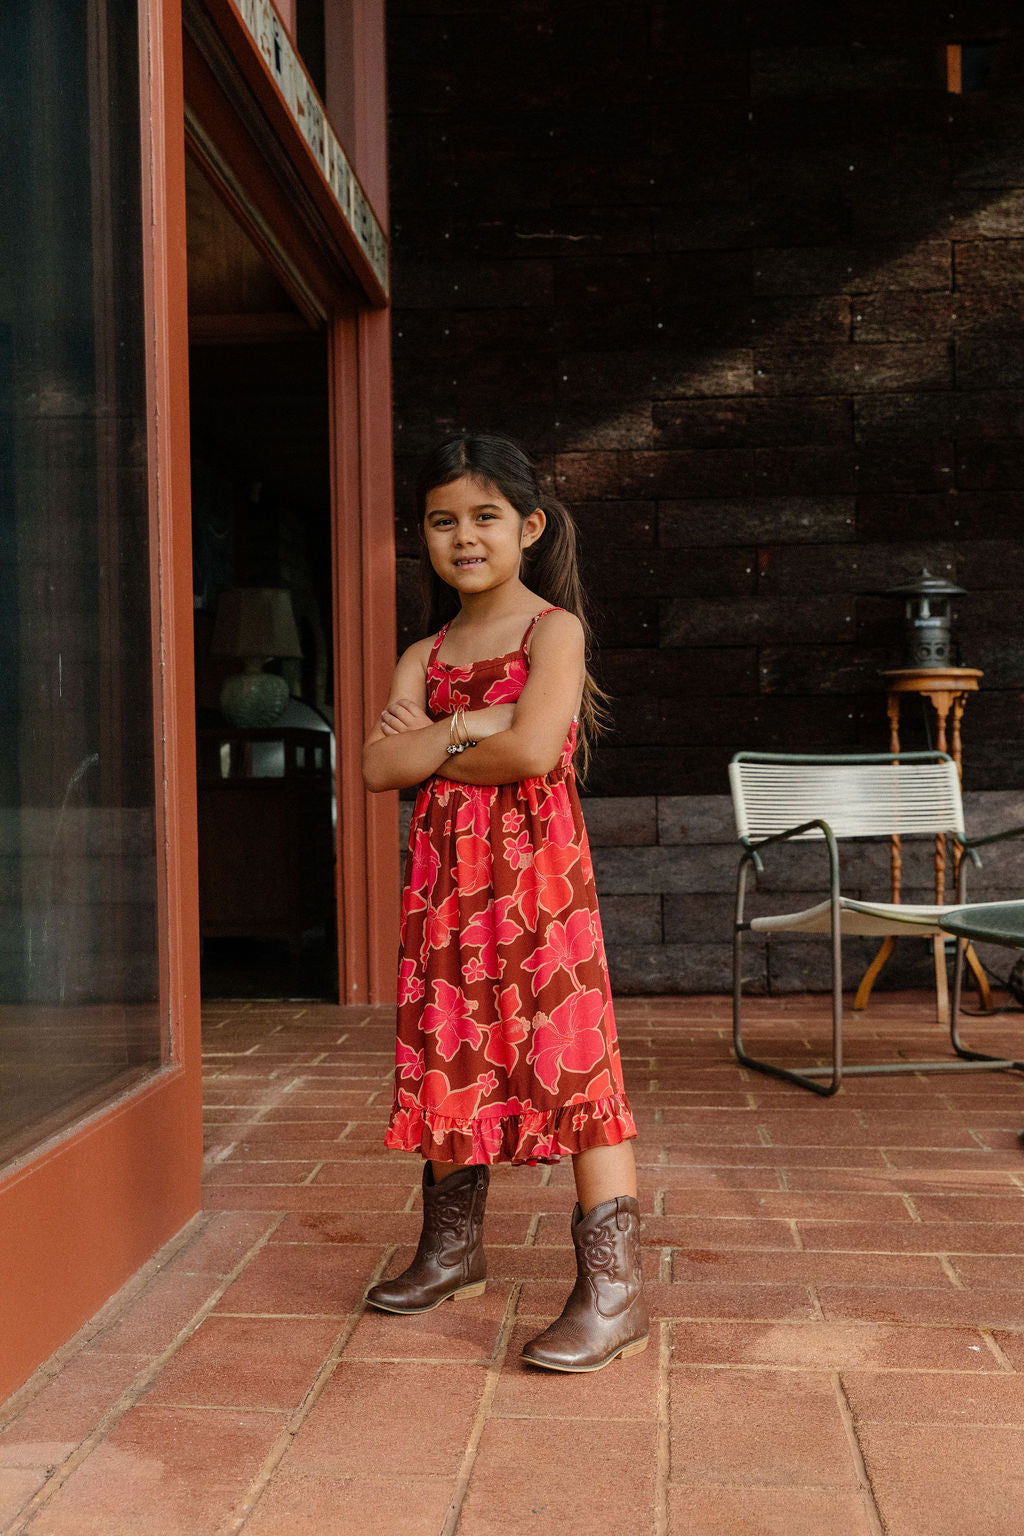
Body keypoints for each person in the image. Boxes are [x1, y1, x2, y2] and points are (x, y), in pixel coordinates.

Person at [361, 433, 648, 1372]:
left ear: (527, 526)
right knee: (451, 1048)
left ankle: (612, 1292)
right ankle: (451, 1251)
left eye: (485, 517)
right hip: (447, 891)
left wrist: (443, 742)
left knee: (573, 1069)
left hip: (539, 887)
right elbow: (375, 767)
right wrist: (477, 721)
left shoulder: (550, 631)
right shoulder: (426, 650)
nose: (465, 536)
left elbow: (532, 754)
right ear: (426, 537)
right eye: (443, 521)